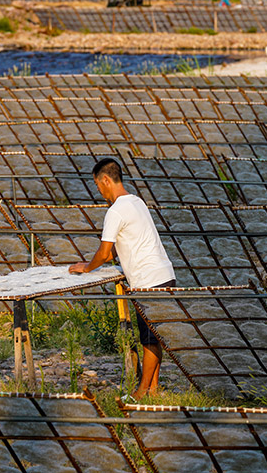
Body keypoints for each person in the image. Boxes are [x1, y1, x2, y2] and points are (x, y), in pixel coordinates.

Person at [70, 158, 176, 400]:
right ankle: (153, 389)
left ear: (106, 180)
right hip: (165, 275)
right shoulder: (137, 202)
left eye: (98, 186)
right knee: (155, 337)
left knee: (149, 340)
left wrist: (87, 267)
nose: (100, 192)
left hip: (149, 280)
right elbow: (120, 247)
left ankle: (140, 392)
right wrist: (102, 260)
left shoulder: (115, 210)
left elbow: (105, 251)